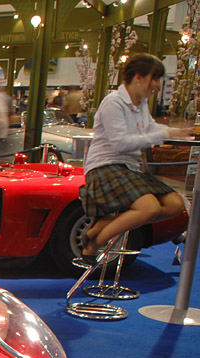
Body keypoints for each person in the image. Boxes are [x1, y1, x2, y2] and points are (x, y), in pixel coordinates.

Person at [80, 53, 189, 261]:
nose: (157, 85)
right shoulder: (114, 102)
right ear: (138, 77)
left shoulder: (140, 105)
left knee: (176, 204)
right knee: (149, 208)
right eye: (154, 78)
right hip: (104, 168)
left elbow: (149, 128)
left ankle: (97, 229)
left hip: (128, 169)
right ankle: (95, 242)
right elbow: (120, 142)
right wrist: (165, 134)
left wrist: (177, 131)